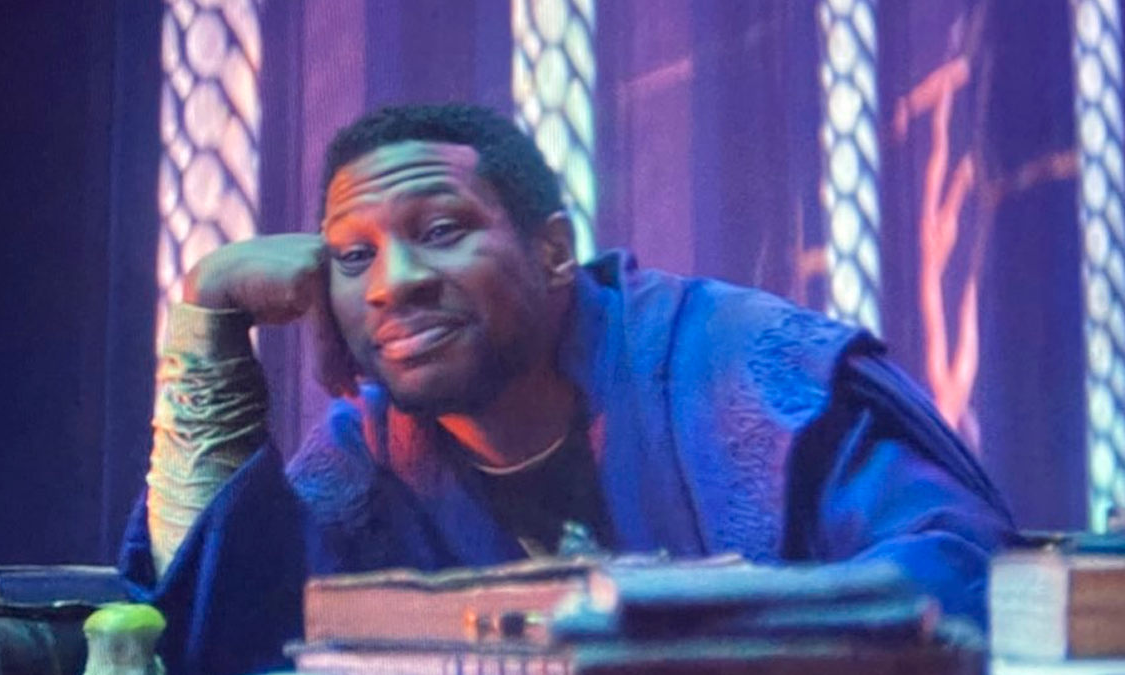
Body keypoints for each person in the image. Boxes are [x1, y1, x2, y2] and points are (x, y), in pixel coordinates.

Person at [120, 103, 1016, 675]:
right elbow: (217, 635)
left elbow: (962, 570)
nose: (395, 282)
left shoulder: (745, 365)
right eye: (353, 256)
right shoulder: (366, 456)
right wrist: (207, 328)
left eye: (441, 230)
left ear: (552, 251)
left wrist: (679, 635)